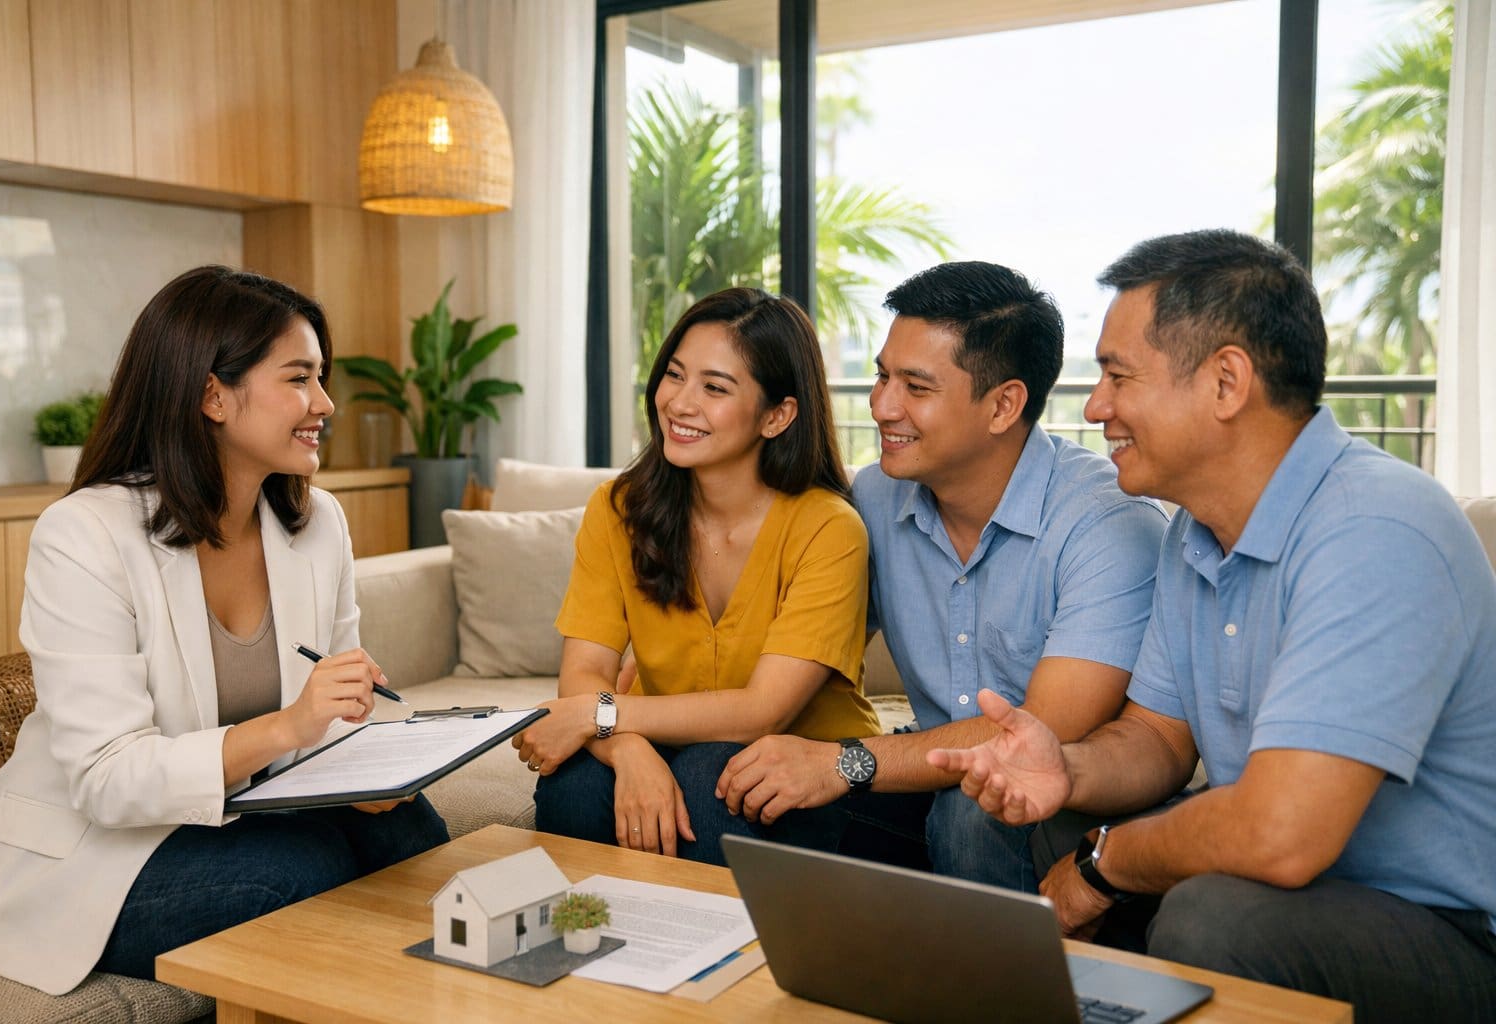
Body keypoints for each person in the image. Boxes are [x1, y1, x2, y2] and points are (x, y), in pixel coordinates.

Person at [929, 229, 1496, 1022]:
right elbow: (1159, 740)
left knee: (1213, 914)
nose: (1095, 409)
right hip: (1289, 890)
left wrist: (1107, 862)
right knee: (1021, 819)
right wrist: (1067, 771)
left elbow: (1281, 834)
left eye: (1118, 377)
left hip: (1452, 931)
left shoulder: (1377, 526)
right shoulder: (1192, 537)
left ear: (1227, 381)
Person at [0, 267, 448, 995]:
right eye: (299, 379)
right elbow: (105, 777)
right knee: (299, 875)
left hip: (233, 813)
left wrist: (371, 765)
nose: (325, 402)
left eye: (322, 378)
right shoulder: (85, 535)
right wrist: (290, 726)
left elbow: (340, 707)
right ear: (213, 394)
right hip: (94, 851)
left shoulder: (318, 527)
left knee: (414, 838)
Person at [715, 261, 1168, 888]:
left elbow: (1042, 729)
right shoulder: (872, 498)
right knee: (738, 778)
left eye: (916, 388)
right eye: (880, 375)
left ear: (1004, 405)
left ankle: (996, 983)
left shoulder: (1107, 526)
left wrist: (844, 762)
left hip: (1064, 797)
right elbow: (781, 642)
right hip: (926, 775)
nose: (880, 406)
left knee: (969, 807)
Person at [513, 287, 878, 866]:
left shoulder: (828, 528)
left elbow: (763, 712)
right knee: (576, 781)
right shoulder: (617, 509)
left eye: (714, 388)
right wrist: (628, 748)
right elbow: (583, 674)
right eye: (674, 375)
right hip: (678, 751)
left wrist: (599, 716)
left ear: (778, 415)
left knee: (714, 776)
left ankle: (720, 956)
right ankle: (585, 947)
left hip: (809, 778)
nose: (680, 403)